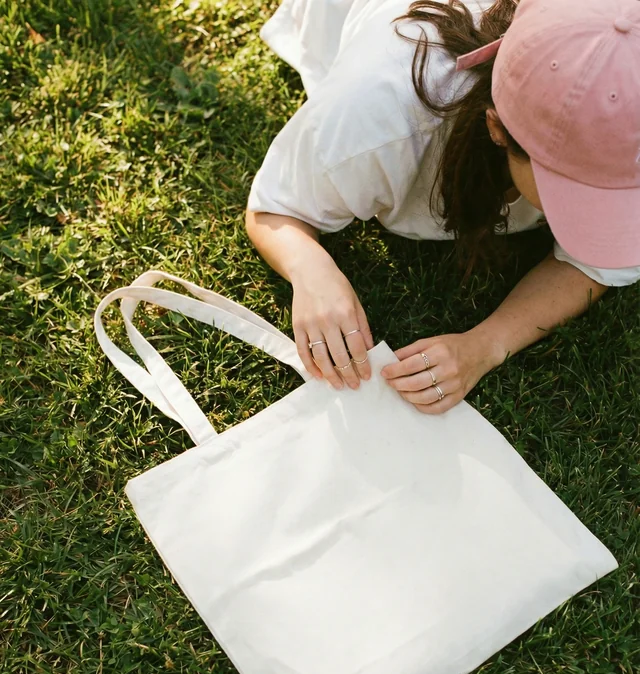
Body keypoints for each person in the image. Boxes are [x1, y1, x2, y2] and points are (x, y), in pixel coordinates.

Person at [245, 0, 640, 413]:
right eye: (577, 188)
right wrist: (312, 271)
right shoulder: (375, 116)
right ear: (498, 128)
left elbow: (595, 265)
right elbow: (275, 209)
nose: (602, 217)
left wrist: (485, 344)